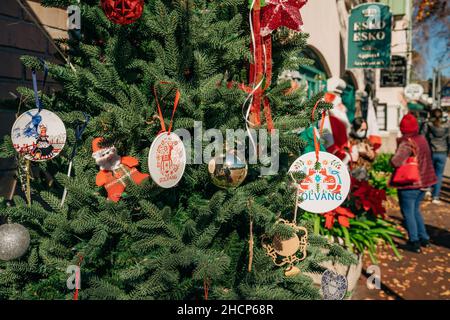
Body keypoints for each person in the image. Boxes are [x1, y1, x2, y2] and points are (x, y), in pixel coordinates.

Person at [390, 113, 437, 253]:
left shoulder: (407, 142)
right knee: (416, 210)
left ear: (402, 128)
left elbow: (395, 161)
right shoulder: (422, 139)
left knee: (408, 212)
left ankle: (414, 241)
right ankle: (424, 238)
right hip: (424, 182)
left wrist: (391, 158)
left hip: (410, 183)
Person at [422, 108, 450, 204]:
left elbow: (423, 137)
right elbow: (449, 139)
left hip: (431, 151)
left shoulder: (428, 124)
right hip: (443, 152)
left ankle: (428, 190)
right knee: (439, 175)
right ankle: (436, 197)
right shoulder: (447, 125)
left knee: (430, 172)